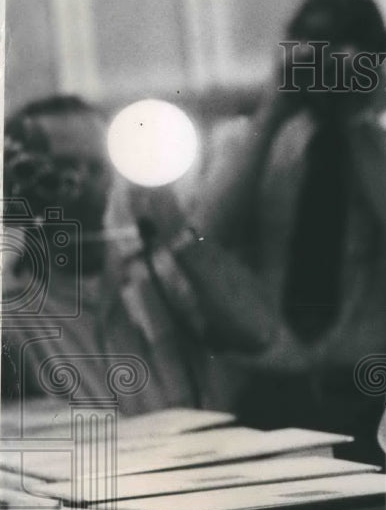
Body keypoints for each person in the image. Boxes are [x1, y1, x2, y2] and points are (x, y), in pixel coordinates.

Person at [189, 0, 386, 465]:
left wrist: (350, 117)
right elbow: (206, 237)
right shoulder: (247, 146)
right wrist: (273, 109)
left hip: (380, 387)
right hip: (272, 382)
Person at [2, 95, 274, 416]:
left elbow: (259, 333)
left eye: (96, 167)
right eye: (62, 168)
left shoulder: (158, 273)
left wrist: (180, 236)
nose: (84, 183)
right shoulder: (11, 307)